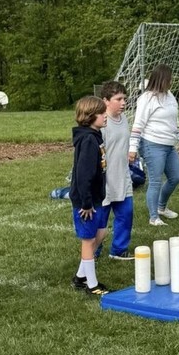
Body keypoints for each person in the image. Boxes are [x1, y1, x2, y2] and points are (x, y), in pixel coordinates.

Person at [127, 64, 179, 226]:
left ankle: (161, 207)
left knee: (175, 177)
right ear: (161, 79)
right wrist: (132, 148)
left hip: (168, 145)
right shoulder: (146, 99)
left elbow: (175, 120)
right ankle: (154, 217)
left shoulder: (170, 96)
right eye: (169, 79)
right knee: (155, 180)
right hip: (152, 144)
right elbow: (138, 124)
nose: (171, 82)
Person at [70, 95, 110, 295]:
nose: (106, 116)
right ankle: (91, 285)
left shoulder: (95, 136)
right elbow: (83, 174)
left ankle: (79, 277)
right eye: (102, 113)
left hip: (96, 197)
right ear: (90, 116)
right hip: (87, 202)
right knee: (88, 240)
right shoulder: (87, 140)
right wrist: (86, 203)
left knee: (101, 233)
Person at [98, 81, 135, 259]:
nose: (123, 103)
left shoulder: (124, 119)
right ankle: (93, 252)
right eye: (118, 99)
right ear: (106, 100)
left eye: (124, 99)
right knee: (100, 221)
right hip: (105, 179)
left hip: (123, 176)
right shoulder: (101, 123)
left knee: (126, 214)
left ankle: (119, 250)